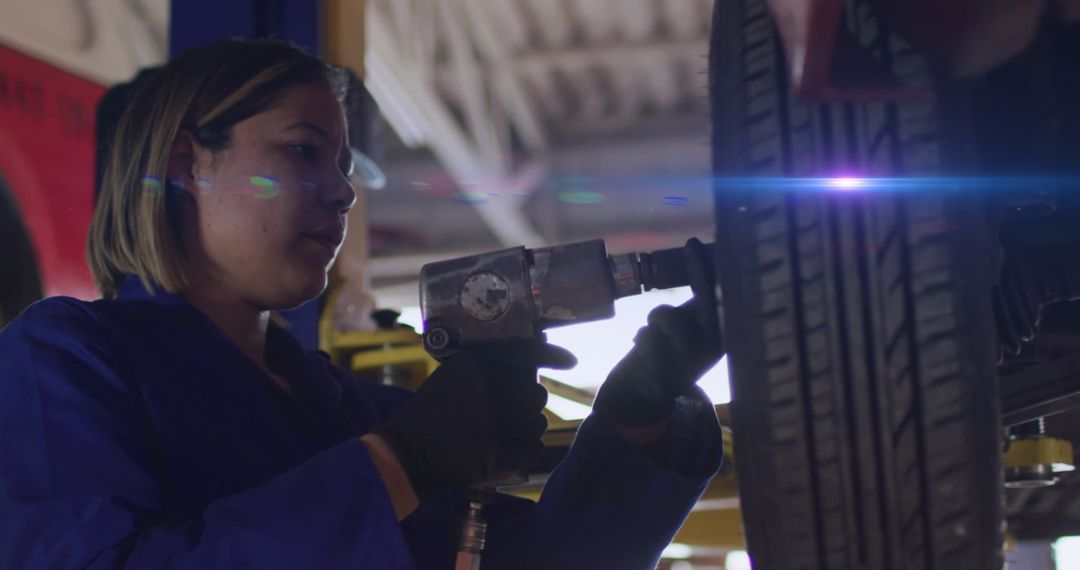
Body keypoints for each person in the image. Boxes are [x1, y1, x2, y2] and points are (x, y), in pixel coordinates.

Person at [0, 39, 724, 569]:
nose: (345, 192)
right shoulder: (66, 360)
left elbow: (537, 563)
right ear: (186, 163)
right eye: (304, 151)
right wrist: (398, 464)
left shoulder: (354, 410)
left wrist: (641, 411)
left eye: (345, 167)